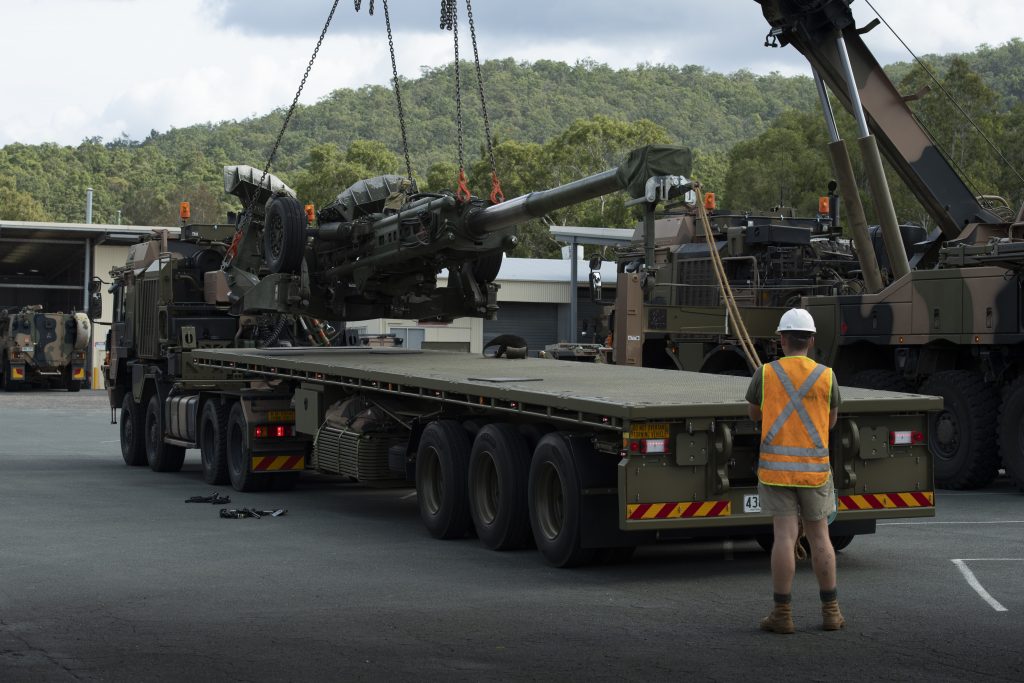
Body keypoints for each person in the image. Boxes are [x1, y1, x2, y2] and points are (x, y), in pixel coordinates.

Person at [746, 308, 844, 634]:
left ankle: (782, 615)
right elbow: (830, 423)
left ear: (782, 339)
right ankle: (831, 612)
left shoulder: (766, 373)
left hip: (776, 472)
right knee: (820, 538)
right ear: (812, 340)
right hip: (814, 472)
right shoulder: (827, 376)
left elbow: (754, 415)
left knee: (785, 538)